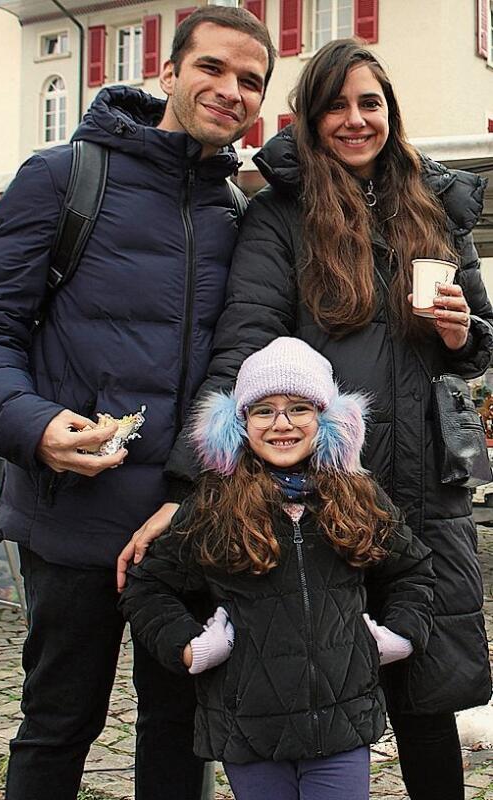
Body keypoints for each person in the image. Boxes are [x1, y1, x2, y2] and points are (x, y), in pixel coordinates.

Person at [135, 40, 493, 800]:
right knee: (310, 685)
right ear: (309, 116)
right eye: (338, 104)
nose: (357, 120)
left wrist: (464, 334)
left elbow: (476, 348)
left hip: (427, 483)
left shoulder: (436, 203)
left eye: (372, 103)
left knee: (428, 697)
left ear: (392, 113)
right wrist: (185, 484)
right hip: (326, 490)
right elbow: (243, 349)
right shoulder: (280, 214)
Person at [0, 6, 275, 800]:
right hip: (72, 514)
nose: (230, 89)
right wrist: (32, 425)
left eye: (251, 81)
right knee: (58, 724)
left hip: (181, 524)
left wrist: (197, 494)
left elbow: (235, 369)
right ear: (168, 72)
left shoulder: (234, 215)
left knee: (180, 737)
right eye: (211, 67)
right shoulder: (64, 176)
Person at [120, 337, 435, 800]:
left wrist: (399, 635)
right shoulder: (212, 506)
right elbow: (147, 586)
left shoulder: (359, 498)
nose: (281, 423)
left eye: (299, 408)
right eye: (263, 410)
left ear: (326, 418)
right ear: (240, 423)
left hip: (340, 723)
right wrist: (189, 646)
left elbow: (413, 571)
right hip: (249, 729)